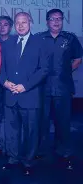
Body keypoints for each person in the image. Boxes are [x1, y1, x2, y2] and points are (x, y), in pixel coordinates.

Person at [0, 12, 49, 175]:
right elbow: (0, 67)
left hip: (30, 96)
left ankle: (28, 162)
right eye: (18, 22)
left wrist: (25, 86)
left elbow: (44, 70)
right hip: (10, 95)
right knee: (11, 131)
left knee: (31, 132)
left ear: (31, 23)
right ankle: (12, 159)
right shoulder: (8, 43)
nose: (20, 25)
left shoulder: (40, 43)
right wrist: (4, 82)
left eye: (24, 22)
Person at [37, 9, 83, 170]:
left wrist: (65, 71)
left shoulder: (70, 38)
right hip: (42, 88)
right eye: (52, 19)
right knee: (41, 122)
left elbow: (78, 58)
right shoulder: (39, 38)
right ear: (47, 21)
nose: (56, 22)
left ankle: (63, 151)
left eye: (59, 19)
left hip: (63, 87)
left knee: (63, 121)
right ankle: (40, 150)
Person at [0, 15, 13, 156]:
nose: (2, 27)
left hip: (12, 86)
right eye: (0, 24)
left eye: (5, 24)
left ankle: (11, 146)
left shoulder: (17, 42)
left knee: (11, 118)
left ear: (10, 27)